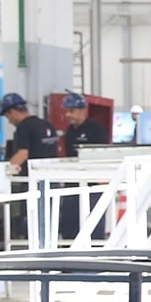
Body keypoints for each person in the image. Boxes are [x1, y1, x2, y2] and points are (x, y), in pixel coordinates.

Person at [0, 93, 61, 241]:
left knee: (31, 221)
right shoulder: (47, 125)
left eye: (8, 117)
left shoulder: (23, 128)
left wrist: (3, 172)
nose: (9, 121)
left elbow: (22, 153)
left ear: (13, 112)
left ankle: (29, 245)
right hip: (52, 181)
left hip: (32, 183)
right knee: (49, 220)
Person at [58, 92, 111, 241]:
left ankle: (94, 248)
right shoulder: (70, 132)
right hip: (73, 183)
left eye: (72, 111)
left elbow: (105, 155)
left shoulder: (96, 130)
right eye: (66, 111)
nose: (68, 115)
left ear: (83, 110)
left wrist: (103, 178)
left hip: (93, 183)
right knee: (69, 223)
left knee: (93, 222)